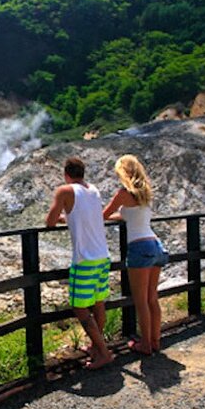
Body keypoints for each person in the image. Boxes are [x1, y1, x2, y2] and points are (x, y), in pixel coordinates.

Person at [46, 157, 113, 370]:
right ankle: (96, 346)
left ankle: (103, 352)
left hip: (85, 259)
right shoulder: (93, 190)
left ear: (66, 174)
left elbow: (49, 221)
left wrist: (59, 217)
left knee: (80, 307)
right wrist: (68, 219)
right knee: (98, 303)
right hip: (102, 255)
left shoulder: (65, 191)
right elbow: (83, 216)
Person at [103, 154, 168, 355]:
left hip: (139, 248)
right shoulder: (145, 193)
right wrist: (120, 216)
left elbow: (103, 215)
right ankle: (156, 341)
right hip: (156, 245)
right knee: (152, 299)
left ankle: (145, 345)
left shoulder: (123, 193)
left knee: (141, 302)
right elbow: (127, 215)